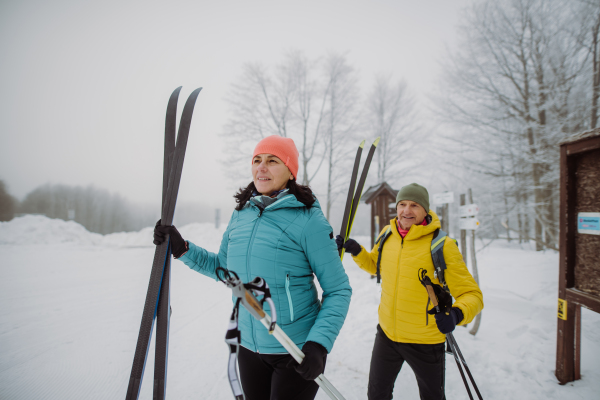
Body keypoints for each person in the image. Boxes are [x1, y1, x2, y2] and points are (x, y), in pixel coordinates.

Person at [153, 135, 352, 400]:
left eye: (272, 161)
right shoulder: (241, 215)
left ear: (290, 171)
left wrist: (319, 344)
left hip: (294, 350)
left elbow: (338, 290)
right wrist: (182, 249)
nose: (261, 167)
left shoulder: (309, 221)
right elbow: (223, 269)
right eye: (257, 160)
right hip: (249, 346)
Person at [336, 183, 483, 400]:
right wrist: (357, 251)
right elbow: (375, 265)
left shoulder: (441, 244)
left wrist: (456, 314)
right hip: (387, 334)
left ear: (425, 210)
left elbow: (473, 295)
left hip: (425, 340)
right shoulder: (387, 234)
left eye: (414, 205)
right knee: (376, 394)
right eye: (402, 204)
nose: (406, 210)